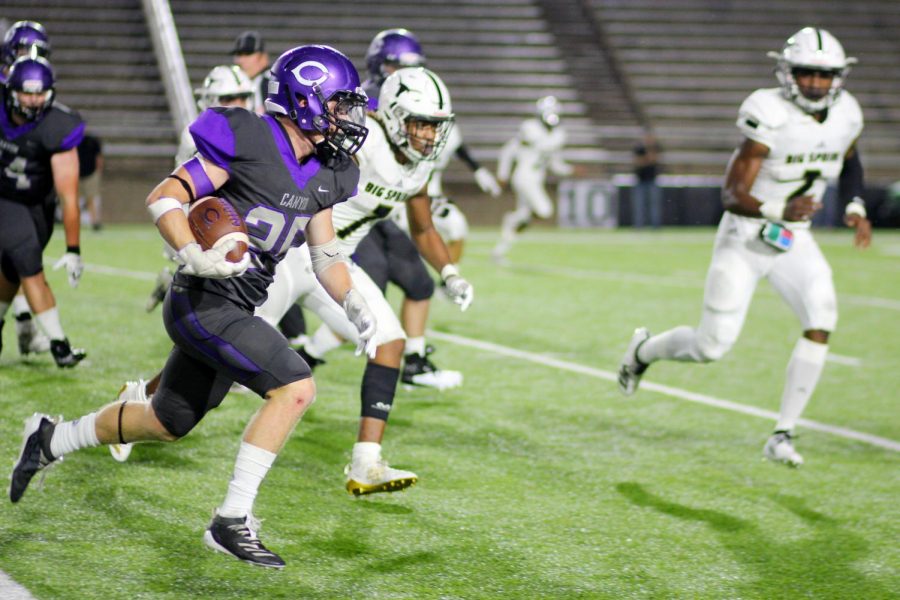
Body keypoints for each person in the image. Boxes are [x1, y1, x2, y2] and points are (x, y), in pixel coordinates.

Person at [9, 45, 378, 570]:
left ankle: (50, 438)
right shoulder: (249, 138)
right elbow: (166, 196)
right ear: (305, 100)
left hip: (239, 306)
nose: (348, 116)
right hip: (201, 300)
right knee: (295, 387)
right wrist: (193, 253)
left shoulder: (328, 171)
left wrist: (353, 300)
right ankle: (232, 519)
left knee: (166, 421)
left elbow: (326, 254)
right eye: (339, 104)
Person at [617, 28, 871, 468]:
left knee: (822, 316)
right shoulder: (767, 111)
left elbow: (849, 159)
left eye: (824, 75)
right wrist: (781, 207)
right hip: (745, 235)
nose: (814, 84)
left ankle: (782, 433)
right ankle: (642, 352)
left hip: (794, 238)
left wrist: (854, 204)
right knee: (710, 347)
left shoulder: (847, 113)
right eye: (806, 73)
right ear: (788, 73)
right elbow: (732, 194)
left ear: (838, 78)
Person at [255, 66, 474, 495]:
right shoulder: (365, 137)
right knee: (223, 360)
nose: (429, 136)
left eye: (434, 126)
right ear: (392, 116)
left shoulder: (418, 166)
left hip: (335, 264)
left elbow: (424, 228)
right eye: (421, 124)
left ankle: (366, 463)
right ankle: (145, 401)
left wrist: (449, 273)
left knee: (389, 343)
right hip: (290, 251)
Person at [145, 64, 254, 313]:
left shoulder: (255, 130)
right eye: (229, 98)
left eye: (244, 97)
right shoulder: (200, 133)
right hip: (205, 213)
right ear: (212, 99)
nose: (238, 104)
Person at [0, 55, 86, 367]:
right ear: (11, 90)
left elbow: (68, 194)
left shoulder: (57, 125)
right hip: (5, 198)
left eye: (40, 93)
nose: (34, 100)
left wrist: (73, 248)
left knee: (11, 267)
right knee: (26, 258)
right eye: (27, 92)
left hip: (38, 205)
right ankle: (59, 347)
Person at [1, 21, 54, 355]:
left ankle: (24, 326)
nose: (31, 58)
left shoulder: (38, 85)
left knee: (20, 258)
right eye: (23, 51)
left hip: (31, 185)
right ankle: (25, 327)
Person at [492, 95, 572, 263]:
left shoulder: (559, 134)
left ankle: (500, 251)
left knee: (525, 217)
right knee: (545, 210)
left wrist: (570, 170)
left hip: (537, 179)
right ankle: (513, 219)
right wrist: (503, 174)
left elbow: (554, 163)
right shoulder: (530, 128)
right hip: (524, 176)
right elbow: (509, 151)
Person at [230, 30, 270, 115]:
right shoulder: (233, 83)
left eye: (247, 54)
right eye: (238, 54)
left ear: (263, 57)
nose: (240, 60)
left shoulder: (270, 82)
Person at [631, 131, 663, 228]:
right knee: (639, 205)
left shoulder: (655, 147)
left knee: (654, 206)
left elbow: (654, 159)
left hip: (652, 180)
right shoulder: (639, 148)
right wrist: (647, 159)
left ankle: (655, 226)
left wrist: (646, 158)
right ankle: (639, 226)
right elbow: (639, 162)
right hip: (640, 180)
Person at [77, 133, 103, 230]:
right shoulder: (73, 142)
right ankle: (74, 221)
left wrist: (98, 171)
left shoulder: (92, 141)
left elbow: (98, 158)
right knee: (75, 200)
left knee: (90, 199)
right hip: (76, 174)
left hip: (90, 174)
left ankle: (94, 221)